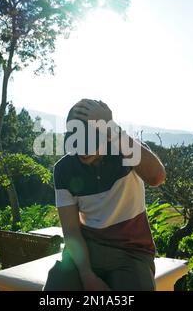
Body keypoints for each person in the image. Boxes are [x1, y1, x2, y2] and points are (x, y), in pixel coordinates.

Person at [43, 99, 166, 291]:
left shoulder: (124, 149)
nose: (82, 152)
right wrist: (87, 276)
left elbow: (157, 177)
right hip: (86, 250)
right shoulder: (64, 169)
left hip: (131, 252)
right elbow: (72, 232)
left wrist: (113, 128)